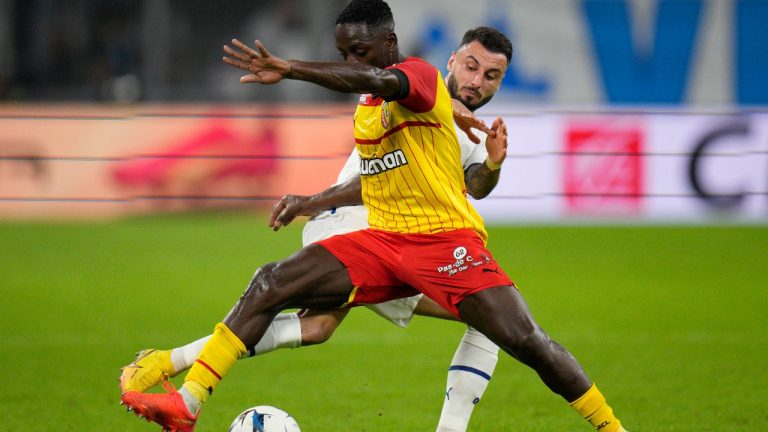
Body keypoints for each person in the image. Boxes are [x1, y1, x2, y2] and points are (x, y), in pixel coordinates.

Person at [121, 1, 629, 432]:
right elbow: (377, 145)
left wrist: (492, 162)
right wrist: (315, 200)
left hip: (438, 243)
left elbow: (467, 179)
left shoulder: (421, 87)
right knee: (271, 282)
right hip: (372, 233)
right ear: (454, 60)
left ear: (388, 43)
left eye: (491, 74)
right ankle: (187, 402)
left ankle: (611, 426)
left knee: (523, 340)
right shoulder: (398, 94)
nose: (477, 80)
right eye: (471, 67)